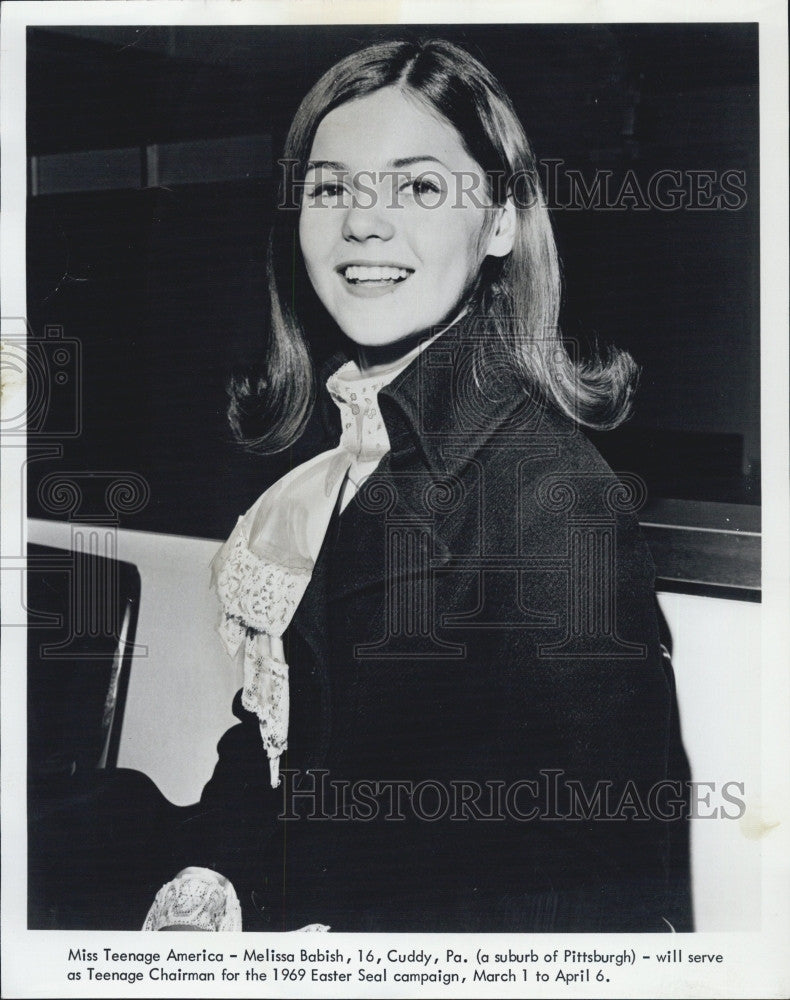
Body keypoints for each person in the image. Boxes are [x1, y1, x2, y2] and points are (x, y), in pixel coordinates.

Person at [145, 37, 693, 934]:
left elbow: (597, 914)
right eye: (329, 188)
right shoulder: (341, 464)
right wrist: (213, 876)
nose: (363, 223)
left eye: (420, 186)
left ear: (504, 222)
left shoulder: (553, 508)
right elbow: (279, 742)